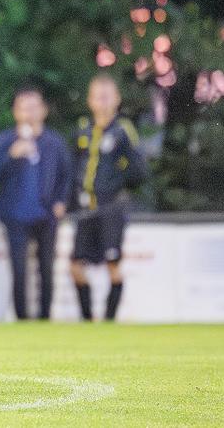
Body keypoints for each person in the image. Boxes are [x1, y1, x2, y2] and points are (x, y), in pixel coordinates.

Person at [0, 86, 71, 320]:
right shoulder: (6, 140)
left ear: (43, 110)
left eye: (34, 107)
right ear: (15, 112)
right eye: (24, 108)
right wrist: (11, 154)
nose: (29, 113)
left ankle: (45, 318)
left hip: (47, 215)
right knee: (19, 270)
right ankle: (21, 318)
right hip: (15, 216)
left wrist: (61, 201)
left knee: (46, 269)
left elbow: (67, 175)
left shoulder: (54, 143)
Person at [70, 75, 148, 321]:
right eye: (97, 97)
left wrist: (117, 182)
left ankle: (109, 321)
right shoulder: (83, 128)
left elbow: (139, 170)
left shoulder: (123, 130)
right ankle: (87, 319)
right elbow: (74, 165)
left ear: (117, 99)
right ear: (89, 100)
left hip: (111, 207)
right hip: (86, 208)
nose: (102, 102)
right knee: (75, 267)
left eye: (107, 97)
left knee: (112, 265)